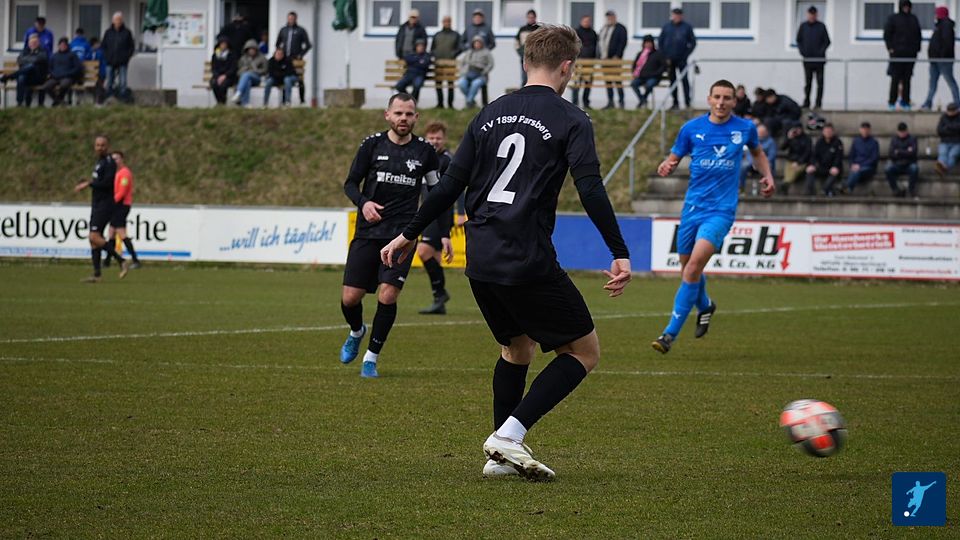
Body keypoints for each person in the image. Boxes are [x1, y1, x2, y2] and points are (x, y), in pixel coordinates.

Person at [380, 24, 631, 481]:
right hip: (526, 255)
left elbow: (449, 185)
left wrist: (408, 233)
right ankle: (509, 436)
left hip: (480, 255)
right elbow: (590, 188)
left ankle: (499, 459)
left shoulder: (489, 113)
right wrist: (618, 249)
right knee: (583, 351)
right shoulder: (572, 119)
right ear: (567, 67)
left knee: (516, 348)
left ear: (525, 61)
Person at [653, 79, 774, 353]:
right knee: (688, 269)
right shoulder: (691, 128)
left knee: (693, 268)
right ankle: (705, 305)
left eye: (727, 98)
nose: (721, 102)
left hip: (721, 211)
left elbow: (758, 153)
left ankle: (668, 335)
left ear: (734, 102)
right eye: (717, 97)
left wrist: (767, 175)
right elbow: (673, 157)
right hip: (692, 208)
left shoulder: (745, 128)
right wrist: (667, 165)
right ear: (709, 99)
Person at [339, 93, 440, 379]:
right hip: (367, 232)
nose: (403, 119)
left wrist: (433, 228)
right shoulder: (371, 145)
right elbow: (350, 184)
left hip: (402, 236)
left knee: (388, 294)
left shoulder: (425, 152)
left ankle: (371, 358)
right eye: (398, 113)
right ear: (387, 115)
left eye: (408, 114)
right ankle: (357, 331)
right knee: (350, 299)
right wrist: (364, 203)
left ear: (416, 117)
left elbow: (436, 192)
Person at [72, 136, 130, 282]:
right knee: (93, 240)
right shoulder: (100, 162)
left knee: (94, 237)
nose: (100, 148)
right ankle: (97, 275)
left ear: (107, 146)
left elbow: (107, 184)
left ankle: (121, 261)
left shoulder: (109, 162)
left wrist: (88, 184)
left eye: (103, 145)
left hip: (105, 204)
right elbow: (99, 181)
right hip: (97, 204)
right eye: (97, 145)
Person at [417, 121, 459, 315]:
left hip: (440, 213)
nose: (435, 141)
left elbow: (456, 189)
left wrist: (460, 212)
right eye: (431, 138)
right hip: (428, 212)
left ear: (444, 139)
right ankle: (438, 301)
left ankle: (441, 294)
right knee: (434, 256)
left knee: (423, 251)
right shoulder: (424, 157)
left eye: (438, 138)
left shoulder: (447, 160)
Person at [884, 0, 922, 110]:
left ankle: (905, 102)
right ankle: (892, 102)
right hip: (897, 54)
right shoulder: (893, 18)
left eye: (908, 6)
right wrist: (890, 48)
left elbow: (918, 35)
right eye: (904, 6)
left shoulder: (913, 19)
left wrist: (917, 49)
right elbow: (887, 34)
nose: (906, 8)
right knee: (895, 79)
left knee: (907, 79)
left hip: (910, 54)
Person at [106, 151, 141, 269]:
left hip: (122, 205)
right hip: (116, 205)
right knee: (111, 233)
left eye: (116, 159)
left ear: (122, 159)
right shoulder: (116, 173)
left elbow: (122, 192)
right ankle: (107, 261)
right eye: (113, 159)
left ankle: (135, 260)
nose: (114, 161)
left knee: (121, 233)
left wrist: (111, 202)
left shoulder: (125, 173)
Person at [922, 6, 959, 111]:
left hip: (943, 60)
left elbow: (947, 43)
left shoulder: (946, 26)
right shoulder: (939, 26)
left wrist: (942, 55)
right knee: (933, 83)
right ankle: (928, 102)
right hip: (935, 60)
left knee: (949, 81)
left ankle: (957, 102)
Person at [659, 8, 696, 110]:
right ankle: (675, 103)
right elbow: (660, 43)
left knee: (684, 80)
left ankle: (687, 102)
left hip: (682, 59)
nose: (677, 17)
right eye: (675, 15)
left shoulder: (687, 27)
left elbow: (693, 43)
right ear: (672, 16)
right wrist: (665, 56)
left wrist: (686, 54)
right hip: (670, 60)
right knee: (673, 81)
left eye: (679, 15)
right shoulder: (667, 27)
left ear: (681, 16)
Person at [795, 5, 830, 110]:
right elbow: (799, 40)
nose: (812, 16)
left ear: (816, 15)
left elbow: (827, 41)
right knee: (808, 83)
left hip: (819, 60)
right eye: (810, 14)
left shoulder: (821, 26)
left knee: (820, 83)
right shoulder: (803, 26)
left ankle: (818, 104)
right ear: (807, 14)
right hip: (807, 60)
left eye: (814, 14)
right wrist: (803, 52)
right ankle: (807, 102)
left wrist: (820, 52)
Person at [0, 34, 48, 107]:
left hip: (37, 78)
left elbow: (38, 59)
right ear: (29, 43)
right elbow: (19, 60)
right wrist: (31, 60)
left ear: (38, 43)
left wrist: (27, 60)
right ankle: (19, 103)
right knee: (21, 78)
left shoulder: (43, 51)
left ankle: (9, 76)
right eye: (31, 42)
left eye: (35, 42)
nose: (33, 44)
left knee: (31, 66)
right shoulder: (25, 51)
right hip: (26, 77)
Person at [275, 11, 311, 105]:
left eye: (292, 18)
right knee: (284, 77)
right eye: (289, 18)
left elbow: (308, 45)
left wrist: (301, 54)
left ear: (295, 19)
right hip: (285, 59)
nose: (291, 20)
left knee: (299, 78)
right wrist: (280, 53)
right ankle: (285, 100)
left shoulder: (301, 30)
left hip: (296, 59)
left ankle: (302, 100)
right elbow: (277, 43)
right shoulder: (283, 30)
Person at [101, 12, 135, 102]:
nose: (118, 21)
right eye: (116, 20)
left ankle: (123, 97)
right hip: (110, 60)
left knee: (123, 81)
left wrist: (127, 56)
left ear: (122, 21)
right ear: (113, 21)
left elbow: (131, 47)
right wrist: (106, 56)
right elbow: (103, 46)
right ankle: (109, 96)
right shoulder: (108, 33)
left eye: (119, 20)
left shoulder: (127, 32)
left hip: (122, 61)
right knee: (109, 80)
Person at [599, 10, 628, 109]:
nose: (609, 19)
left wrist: (617, 55)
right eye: (608, 17)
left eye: (611, 17)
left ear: (615, 17)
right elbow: (600, 42)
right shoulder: (604, 28)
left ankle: (621, 101)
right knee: (608, 81)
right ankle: (610, 102)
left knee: (617, 81)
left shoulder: (621, 28)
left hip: (615, 59)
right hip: (604, 59)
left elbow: (622, 43)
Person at [805, 122, 844, 196]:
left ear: (833, 132)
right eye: (826, 131)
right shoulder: (819, 142)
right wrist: (813, 165)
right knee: (809, 171)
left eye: (829, 131)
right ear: (823, 132)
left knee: (835, 172)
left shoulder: (838, 142)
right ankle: (810, 191)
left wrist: (835, 166)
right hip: (821, 167)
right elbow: (814, 155)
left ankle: (824, 190)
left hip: (832, 167)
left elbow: (839, 157)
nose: (828, 133)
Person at [42, 38, 83, 106]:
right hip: (55, 77)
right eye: (61, 45)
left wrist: (69, 73)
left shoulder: (72, 55)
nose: (62, 46)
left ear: (67, 46)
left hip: (67, 77)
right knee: (46, 86)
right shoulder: (54, 56)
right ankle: (58, 100)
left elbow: (78, 68)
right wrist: (53, 74)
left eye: (64, 45)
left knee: (64, 85)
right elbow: (49, 68)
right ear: (58, 46)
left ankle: (57, 101)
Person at [629, 35, 667, 109]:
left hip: (653, 77)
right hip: (641, 77)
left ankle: (643, 99)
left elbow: (663, 66)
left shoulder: (658, 54)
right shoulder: (640, 54)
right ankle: (643, 100)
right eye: (646, 43)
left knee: (649, 85)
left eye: (650, 43)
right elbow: (635, 65)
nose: (648, 44)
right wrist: (634, 73)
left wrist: (656, 74)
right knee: (633, 84)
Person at [431, 16, 461, 108]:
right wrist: (435, 54)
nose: (447, 23)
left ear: (451, 22)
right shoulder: (437, 35)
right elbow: (432, 48)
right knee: (438, 84)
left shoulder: (455, 35)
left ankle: (450, 104)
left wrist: (453, 54)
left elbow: (460, 47)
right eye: (445, 21)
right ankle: (440, 104)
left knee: (450, 84)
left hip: (451, 63)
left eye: (448, 21)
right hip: (438, 62)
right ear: (442, 22)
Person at [457, 36, 493, 108]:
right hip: (468, 74)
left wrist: (484, 71)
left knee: (475, 84)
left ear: (482, 43)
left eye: (479, 43)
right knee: (461, 83)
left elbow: (490, 64)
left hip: (480, 75)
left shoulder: (486, 52)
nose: (477, 44)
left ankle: (469, 102)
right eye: (475, 43)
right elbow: (462, 63)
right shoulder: (469, 52)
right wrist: (462, 72)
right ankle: (471, 101)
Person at [885, 122, 919, 197]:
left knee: (914, 168)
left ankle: (911, 190)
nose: (902, 134)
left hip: (909, 164)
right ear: (897, 132)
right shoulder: (894, 139)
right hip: (897, 164)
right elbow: (891, 154)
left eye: (904, 132)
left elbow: (913, 153)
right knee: (887, 169)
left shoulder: (912, 139)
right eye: (900, 132)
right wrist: (907, 151)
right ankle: (895, 189)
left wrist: (899, 152)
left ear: (907, 131)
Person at [845, 121, 881, 193]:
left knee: (856, 172)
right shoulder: (856, 141)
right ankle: (847, 189)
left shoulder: (874, 142)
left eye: (866, 129)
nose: (865, 131)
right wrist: (852, 164)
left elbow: (874, 158)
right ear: (860, 130)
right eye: (863, 129)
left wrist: (860, 166)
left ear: (869, 130)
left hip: (868, 167)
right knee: (855, 171)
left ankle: (846, 187)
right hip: (856, 166)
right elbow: (851, 155)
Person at [571, 15, 598, 108]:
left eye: (588, 21)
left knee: (588, 83)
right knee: (577, 82)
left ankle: (586, 102)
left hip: (590, 61)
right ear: (581, 21)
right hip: (579, 61)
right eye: (585, 21)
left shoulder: (593, 33)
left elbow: (595, 46)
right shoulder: (576, 32)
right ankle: (575, 102)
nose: (587, 23)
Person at [741, 123, 776, 193]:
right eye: (759, 132)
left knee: (768, 167)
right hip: (752, 163)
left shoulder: (771, 142)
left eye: (762, 132)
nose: (760, 134)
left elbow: (772, 155)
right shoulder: (753, 140)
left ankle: (767, 188)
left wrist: (762, 164)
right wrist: (754, 163)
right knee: (743, 166)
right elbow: (748, 154)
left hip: (766, 162)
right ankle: (741, 188)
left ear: (766, 133)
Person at [232, 39, 267, 106]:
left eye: (253, 49)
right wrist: (244, 69)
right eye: (250, 49)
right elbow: (238, 72)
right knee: (247, 81)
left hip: (257, 78)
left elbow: (265, 70)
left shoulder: (262, 58)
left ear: (256, 49)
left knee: (247, 75)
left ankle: (238, 92)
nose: (251, 51)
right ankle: (246, 103)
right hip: (245, 79)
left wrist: (255, 70)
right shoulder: (243, 59)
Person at [781, 123, 812, 194]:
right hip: (791, 161)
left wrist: (798, 162)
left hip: (802, 162)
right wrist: (788, 138)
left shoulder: (807, 139)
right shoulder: (792, 138)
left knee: (795, 170)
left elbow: (807, 153)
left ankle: (786, 183)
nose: (797, 131)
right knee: (789, 170)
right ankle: (786, 183)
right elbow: (782, 148)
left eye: (798, 129)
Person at [515, 10, 540, 87]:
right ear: (527, 18)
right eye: (529, 17)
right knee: (524, 78)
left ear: (535, 18)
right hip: (525, 58)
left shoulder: (539, 29)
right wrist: (521, 53)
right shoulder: (522, 29)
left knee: (536, 79)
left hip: (537, 58)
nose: (531, 19)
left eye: (532, 17)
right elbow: (516, 43)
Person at [209, 37, 237, 105]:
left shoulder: (231, 55)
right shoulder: (215, 55)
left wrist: (225, 76)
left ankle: (223, 101)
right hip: (217, 76)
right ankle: (219, 101)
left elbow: (233, 68)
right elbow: (213, 68)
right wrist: (218, 77)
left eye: (225, 44)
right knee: (214, 83)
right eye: (222, 44)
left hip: (228, 77)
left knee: (223, 85)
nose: (223, 46)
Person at [936, 103, 960, 177]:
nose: (950, 113)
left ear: (956, 111)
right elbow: (939, 131)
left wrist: (947, 127)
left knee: (952, 155)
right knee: (942, 153)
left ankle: (942, 169)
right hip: (944, 141)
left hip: (957, 142)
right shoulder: (943, 117)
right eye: (949, 111)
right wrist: (953, 129)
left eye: (952, 111)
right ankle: (942, 168)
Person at [88, 37, 106, 104]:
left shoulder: (101, 52)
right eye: (97, 43)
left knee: (99, 84)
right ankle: (97, 99)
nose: (98, 45)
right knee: (95, 85)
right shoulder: (90, 52)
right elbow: (87, 59)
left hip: (100, 72)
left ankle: (99, 100)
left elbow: (99, 61)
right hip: (91, 73)